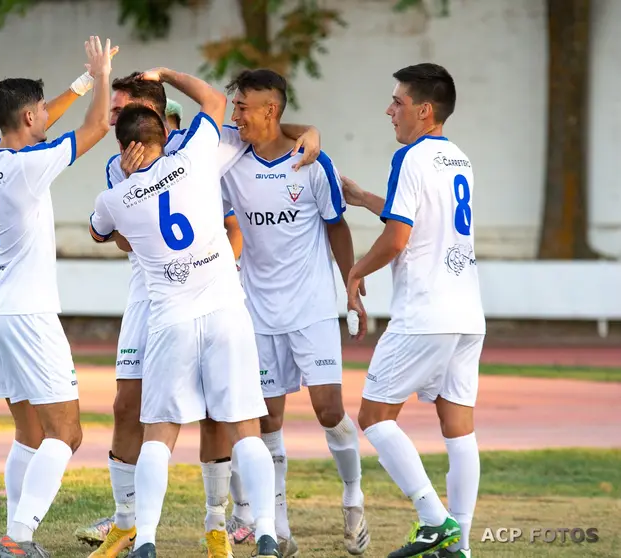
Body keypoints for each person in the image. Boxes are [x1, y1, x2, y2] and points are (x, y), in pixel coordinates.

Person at [77, 72, 323, 558]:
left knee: (159, 435)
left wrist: (133, 183)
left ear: (125, 147)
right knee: (245, 429)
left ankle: (145, 540)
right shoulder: (194, 158)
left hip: (170, 319)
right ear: (165, 135)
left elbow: (100, 231)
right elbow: (214, 100)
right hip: (225, 312)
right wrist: (167, 72)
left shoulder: (114, 194)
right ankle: (268, 535)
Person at [0, 36, 115, 558]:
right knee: (67, 434)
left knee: (28, 435)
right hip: (30, 315)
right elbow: (96, 128)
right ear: (28, 116)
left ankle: (16, 536)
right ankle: (19, 536)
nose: (44, 118)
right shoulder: (31, 167)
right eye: (39, 113)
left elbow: (41, 121)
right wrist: (101, 78)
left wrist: (76, 86)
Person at [218, 69, 370, 557]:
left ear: (271, 111)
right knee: (267, 421)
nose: (234, 113)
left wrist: (351, 285)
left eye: (243, 106)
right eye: (234, 104)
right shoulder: (230, 161)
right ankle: (279, 526)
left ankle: (353, 497)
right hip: (256, 312)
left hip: (311, 309)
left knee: (329, 410)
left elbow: (337, 227)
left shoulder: (312, 163)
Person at [343, 63, 484, 558]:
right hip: (468, 312)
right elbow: (423, 220)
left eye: (398, 102)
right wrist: (364, 199)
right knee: (458, 428)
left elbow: (400, 237)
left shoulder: (409, 156)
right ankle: (459, 545)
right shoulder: (458, 159)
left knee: (375, 416)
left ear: (424, 111)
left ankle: (432, 518)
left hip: (426, 311)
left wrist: (356, 272)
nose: (390, 110)